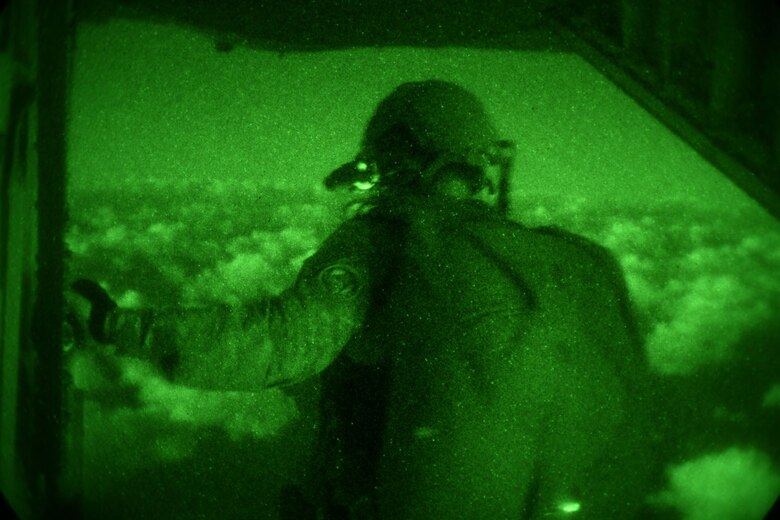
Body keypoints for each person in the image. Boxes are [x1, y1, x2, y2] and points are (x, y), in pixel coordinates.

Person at [69, 80, 662, 519]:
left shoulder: (392, 243)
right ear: (479, 162)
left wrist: (111, 323)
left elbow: (276, 341)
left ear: (399, 155)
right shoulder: (573, 265)